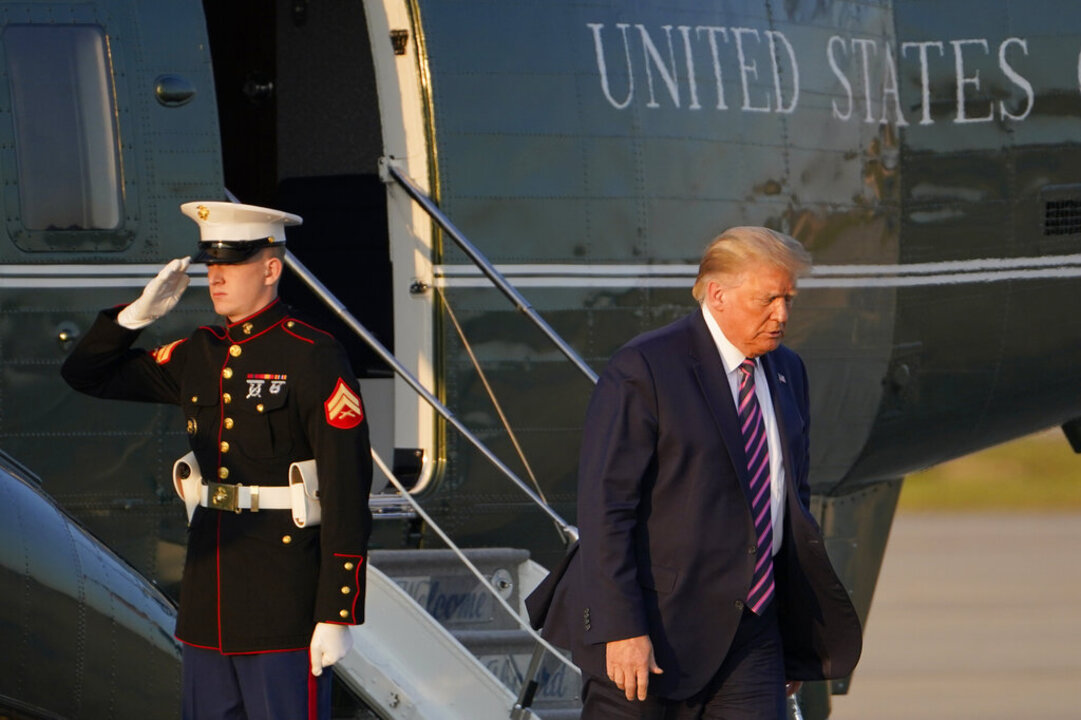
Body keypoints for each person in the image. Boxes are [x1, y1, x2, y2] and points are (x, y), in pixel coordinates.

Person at [528, 227, 862, 719]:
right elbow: (605, 509)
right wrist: (622, 630)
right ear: (717, 293)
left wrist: (793, 633)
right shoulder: (645, 368)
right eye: (767, 299)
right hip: (653, 628)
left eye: (788, 298)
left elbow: (790, 503)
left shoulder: (787, 370)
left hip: (753, 631)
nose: (783, 315)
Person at [61, 201, 373, 720]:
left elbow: (344, 484)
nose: (216, 276)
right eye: (211, 264)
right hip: (211, 593)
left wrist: (337, 612)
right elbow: (86, 374)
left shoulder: (311, 354)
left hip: (284, 593)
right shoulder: (201, 353)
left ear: (271, 269)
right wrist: (137, 316)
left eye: (232, 263)